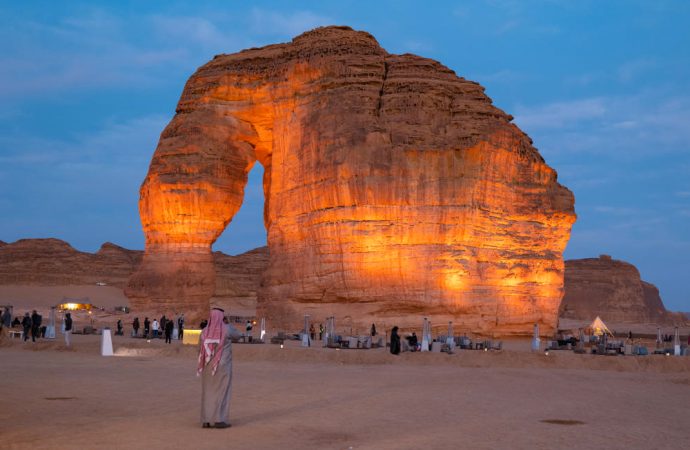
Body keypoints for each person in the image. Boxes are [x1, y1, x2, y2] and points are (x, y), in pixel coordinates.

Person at [198, 308, 242, 429]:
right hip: (222, 367)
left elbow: (199, 350)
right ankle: (219, 419)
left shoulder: (204, 332)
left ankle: (206, 420)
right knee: (222, 392)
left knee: (207, 392)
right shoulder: (227, 329)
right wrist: (227, 323)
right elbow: (239, 335)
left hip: (207, 366)